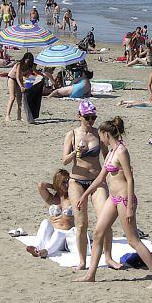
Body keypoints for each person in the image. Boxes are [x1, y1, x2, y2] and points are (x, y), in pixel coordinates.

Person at [74, 117, 152, 289]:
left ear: (106, 134)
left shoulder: (122, 151)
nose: (100, 139)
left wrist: (130, 206)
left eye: (101, 135)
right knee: (98, 233)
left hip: (124, 200)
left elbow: (130, 180)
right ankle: (91, 274)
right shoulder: (110, 152)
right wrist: (84, 195)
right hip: (113, 198)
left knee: (133, 240)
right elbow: (101, 178)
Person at [61, 100, 116, 270]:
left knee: (104, 220)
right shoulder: (72, 134)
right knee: (81, 223)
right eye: (88, 117)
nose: (91, 120)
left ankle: (108, 257)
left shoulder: (98, 134)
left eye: (93, 117)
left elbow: (108, 155)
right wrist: (76, 152)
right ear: (79, 116)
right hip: (77, 181)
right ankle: (83, 261)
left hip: (97, 180)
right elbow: (64, 161)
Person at [26, 170, 76, 259]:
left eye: (68, 182)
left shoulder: (73, 197)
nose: (67, 185)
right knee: (45, 222)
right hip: (51, 234)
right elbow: (41, 185)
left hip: (65, 236)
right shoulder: (51, 198)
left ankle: (46, 251)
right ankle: (37, 247)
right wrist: (54, 186)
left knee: (58, 233)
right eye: (63, 182)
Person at [4, 52, 34, 122]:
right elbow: (17, 77)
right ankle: (7, 116)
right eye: (28, 60)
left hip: (20, 81)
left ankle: (19, 117)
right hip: (12, 79)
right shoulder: (19, 64)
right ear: (25, 59)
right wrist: (21, 86)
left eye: (30, 61)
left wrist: (42, 75)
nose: (28, 62)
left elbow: (34, 73)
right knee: (12, 97)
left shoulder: (30, 66)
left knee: (19, 100)